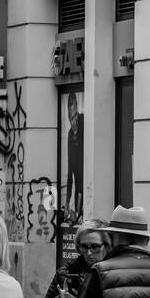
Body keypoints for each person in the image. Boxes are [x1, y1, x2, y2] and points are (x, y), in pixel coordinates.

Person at [65, 93, 84, 222]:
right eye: (72, 118)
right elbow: (70, 169)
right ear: (68, 118)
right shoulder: (70, 135)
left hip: (84, 175)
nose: (75, 121)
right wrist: (67, 201)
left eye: (76, 116)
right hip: (77, 178)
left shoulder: (84, 125)